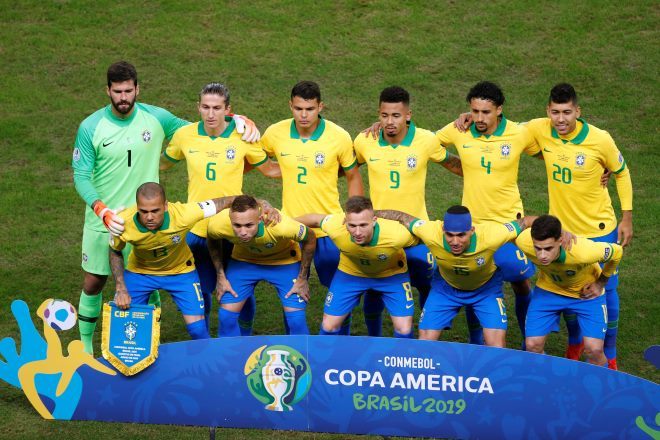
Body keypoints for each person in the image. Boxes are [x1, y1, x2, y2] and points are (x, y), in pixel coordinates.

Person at [72, 62, 258, 354]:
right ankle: (83, 348)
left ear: (137, 89)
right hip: (106, 219)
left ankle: (146, 345)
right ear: (108, 90)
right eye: (117, 91)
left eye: (128, 91)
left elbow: (202, 128)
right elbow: (81, 175)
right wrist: (102, 210)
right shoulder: (90, 127)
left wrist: (236, 119)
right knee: (94, 281)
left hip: (150, 217)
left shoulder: (156, 117)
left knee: (150, 275)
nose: (123, 97)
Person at [524, 83, 633, 369]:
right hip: (562, 230)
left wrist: (627, 217)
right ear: (548, 111)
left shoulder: (600, 139)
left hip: (600, 230)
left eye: (567, 112)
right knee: (568, 287)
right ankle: (576, 342)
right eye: (556, 112)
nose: (561, 119)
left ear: (578, 111)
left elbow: (621, 172)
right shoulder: (540, 128)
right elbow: (505, 128)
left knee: (603, 290)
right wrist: (468, 117)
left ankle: (609, 353)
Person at [160, 82, 280, 333]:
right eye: (205, 107)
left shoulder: (243, 137)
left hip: (234, 228)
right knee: (201, 289)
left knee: (239, 291)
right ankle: (205, 343)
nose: (211, 114)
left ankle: (244, 337)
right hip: (197, 228)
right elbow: (160, 165)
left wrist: (318, 170)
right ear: (198, 107)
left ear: (228, 110)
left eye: (217, 108)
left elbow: (269, 170)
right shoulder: (184, 136)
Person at [434, 81, 539, 348]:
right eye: (475, 111)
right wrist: (455, 165)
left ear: (499, 110)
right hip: (475, 226)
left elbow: (551, 152)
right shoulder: (460, 129)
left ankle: (529, 338)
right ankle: (476, 340)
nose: (479, 118)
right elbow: (427, 145)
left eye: (486, 112)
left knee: (520, 281)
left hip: (509, 225)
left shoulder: (519, 133)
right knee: (474, 281)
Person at [353, 86, 462, 336]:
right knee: (374, 288)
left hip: (416, 233)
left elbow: (455, 165)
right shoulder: (364, 140)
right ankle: (374, 340)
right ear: (378, 115)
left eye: (396, 115)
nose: (390, 121)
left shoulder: (426, 140)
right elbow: (346, 167)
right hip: (379, 232)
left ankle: (427, 334)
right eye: (384, 115)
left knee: (426, 284)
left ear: (408, 115)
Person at [261, 81, 363, 334]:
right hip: (291, 226)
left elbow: (352, 175)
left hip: (330, 226)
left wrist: (354, 214)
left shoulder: (338, 136)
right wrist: (276, 169)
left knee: (339, 291)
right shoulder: (275, 133)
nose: (304, 115)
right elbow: (253, 156)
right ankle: (297, 345)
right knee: (291, 290)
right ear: (290, 106)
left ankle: (342, 341)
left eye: (309, 108)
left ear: (320, 106)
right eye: (298, 108)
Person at [376, 205, 534, 347]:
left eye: (461, 235)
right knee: (424, 343)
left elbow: (525, 222)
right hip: (445, 289)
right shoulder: (431, 231)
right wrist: (371, 214)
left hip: (485, 291)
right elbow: (402, 217)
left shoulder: (492, 235)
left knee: (496, 347)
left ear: (472, 231)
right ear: (443, 230)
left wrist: (558, 230)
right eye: (449, 235)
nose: (455, 241)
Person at [297, 196, 417, 338]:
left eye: (363, 225)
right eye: (352, 226)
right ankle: (324, 358)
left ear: (374, 221)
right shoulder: (336, 227)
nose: (357, 232)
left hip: (391, 276)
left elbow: (424, 237)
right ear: (345, 221)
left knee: (404, 330)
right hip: (350, 274)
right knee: (329, 326)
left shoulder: (397, 235)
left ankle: (401, 358)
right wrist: (281, 222)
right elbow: (315, 219)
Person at [515, 215, 623, 366]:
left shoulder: (583, 251)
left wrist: (600, 283)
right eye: (537, 248)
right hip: (549, 292)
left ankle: (601, 387)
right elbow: (522, 222)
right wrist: (525, 221)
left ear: (560, 241)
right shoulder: (523, 241)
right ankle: (545, 381)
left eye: (548, 249)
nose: (542, 255)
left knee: (595, 351)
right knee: (532, 345)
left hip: (586, 296)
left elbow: (617, 252)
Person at [207, 195, 316, 336]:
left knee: (296, 320)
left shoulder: (279, 225)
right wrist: (220, 276)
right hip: (244, 262)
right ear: (230, 219)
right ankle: (234, 355)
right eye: (237, 226)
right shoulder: (217, 224)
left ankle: (299, 355)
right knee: (226, 317)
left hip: (284, 262)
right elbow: (212, 239)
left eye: (249, 225)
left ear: (259, 219)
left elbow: (310, 237)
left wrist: (302, 278)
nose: (243, 232)